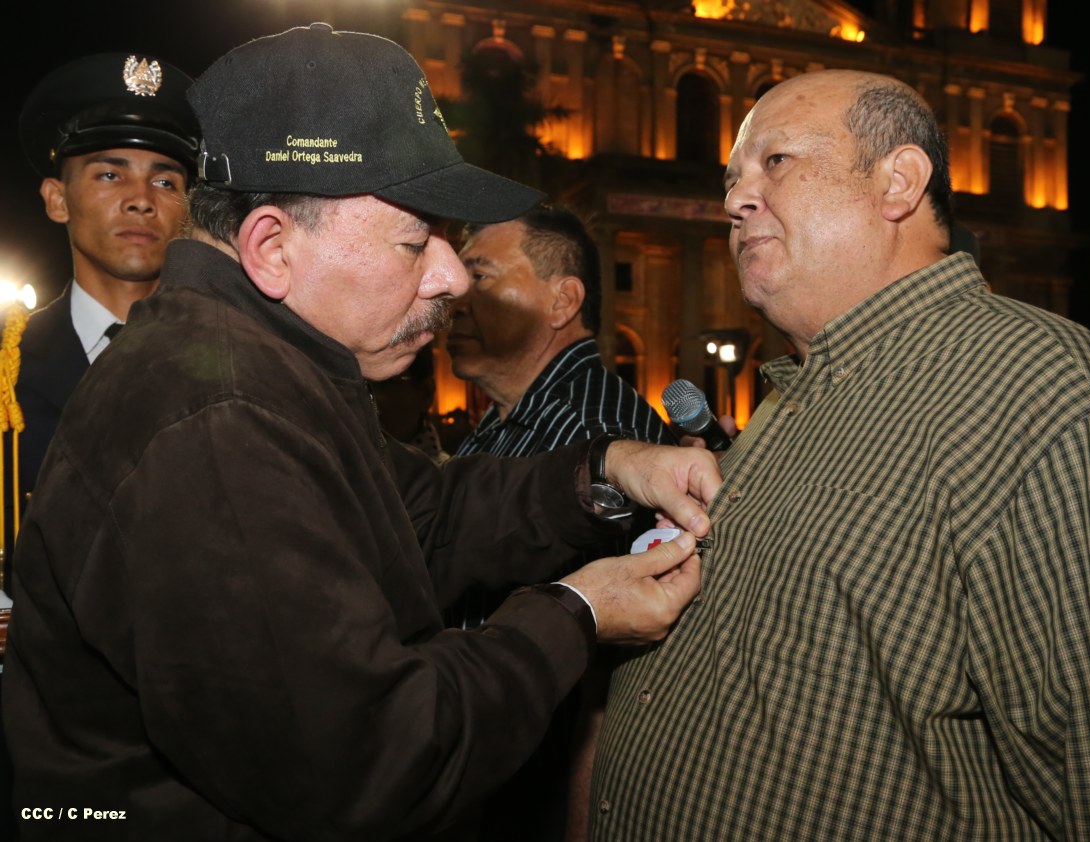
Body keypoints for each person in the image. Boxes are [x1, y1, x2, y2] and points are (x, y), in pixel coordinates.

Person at [2, 23, 720, 842]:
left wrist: (608, 470)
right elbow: (367, 761)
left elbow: (424, 517)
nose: (453, 276)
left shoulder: (263, 365)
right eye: (417, 242)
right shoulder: (217, 420)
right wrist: (578, 614)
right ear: (272, 248)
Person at [589, 69, 1090, 840]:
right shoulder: (795, 395)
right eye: (731, 179)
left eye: (775, 162)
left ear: (898, 182)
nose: (734, 200)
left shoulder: (1056, 405)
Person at [0, 51, 200, 840]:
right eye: (109, 173)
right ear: (57, 198)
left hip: (206, 768)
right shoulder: (6, 377)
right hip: (37, 762)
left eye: (167, 179)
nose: (142, 199)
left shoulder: (242, 369)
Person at [445, 205, 674, 841]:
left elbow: (610, 673)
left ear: (562, 300)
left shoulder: (593, 431)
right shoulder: (511, 419)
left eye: (479, 276)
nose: (453, 297)